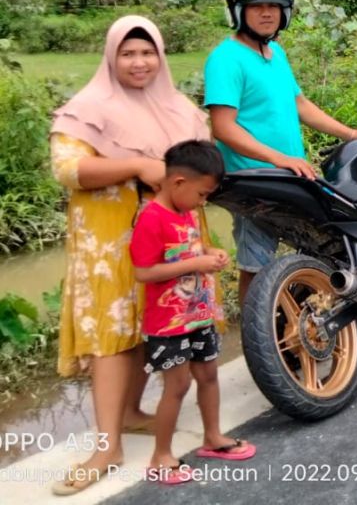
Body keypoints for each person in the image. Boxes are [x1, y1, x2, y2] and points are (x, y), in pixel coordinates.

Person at [48, 16, 210, 496]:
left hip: (169, 238)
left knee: (151, 324)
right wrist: (139, 165)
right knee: (109, 337)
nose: (138, 62)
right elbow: (69, 169)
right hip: (108, 241)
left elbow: (200, 168)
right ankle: (106, 445)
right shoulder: (87, 108)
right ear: (111, 56)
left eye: (147, 53)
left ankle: (134, 412)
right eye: (128, 53)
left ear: (160, 57)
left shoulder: (179, 109)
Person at [204, 0, 357, 306]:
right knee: (257, 266)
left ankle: (297, 327)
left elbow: (299, 103)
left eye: (274, 6)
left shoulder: (276, 54)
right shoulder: (226, 59)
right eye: (257, 7)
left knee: (313, 251)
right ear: (239, 11)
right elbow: (223, 127)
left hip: (290, 177)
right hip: (254, 180)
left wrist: (350, 133)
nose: (267, 13)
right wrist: (279, 158)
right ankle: (258, 343)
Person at [130, 140, 255, 485]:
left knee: (209, 375)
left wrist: (210, 253)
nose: (204, 202)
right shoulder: (151, 219)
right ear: (178, 183)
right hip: (168, 324)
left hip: (198, 314)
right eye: (202, 195)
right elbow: (143, 272)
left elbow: (192, 249)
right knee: (178, 385)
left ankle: (213, 437)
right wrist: (196, 262)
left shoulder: (186, 212)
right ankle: (161, 455)